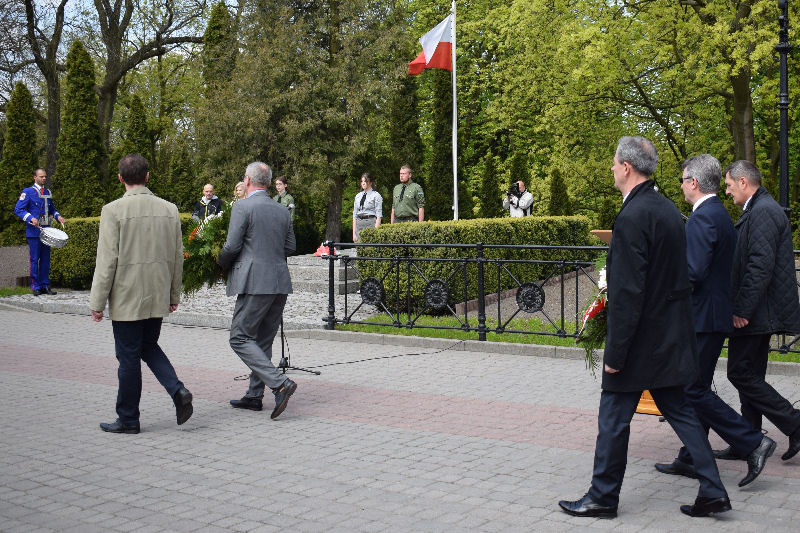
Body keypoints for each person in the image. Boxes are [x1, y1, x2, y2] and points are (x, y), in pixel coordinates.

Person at [558, 137, 729, 519]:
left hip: (640, 343)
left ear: (627, 168)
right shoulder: (667, 208)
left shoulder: (634, 216)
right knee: (682, 412)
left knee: (613, 419)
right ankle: (714, 490)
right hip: (667, 336)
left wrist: (615, 354)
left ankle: (602, 496)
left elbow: (630, 291)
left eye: (614, 162)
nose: (612, 168)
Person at [655, 154, 775, 488]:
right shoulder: (716, 214)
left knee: (691, 389)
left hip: (702, 318)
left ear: (692, 182)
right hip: (711, 315)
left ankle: (753, 442)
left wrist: (660, 287)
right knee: (696, 386)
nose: (680, 187)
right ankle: (692, 456)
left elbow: (692, 272)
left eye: (682, 180)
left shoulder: (704, 217)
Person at [89, 154, 192, 434]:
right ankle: (177, 390)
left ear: (120, 178)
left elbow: (107, 260)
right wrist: (173, 294)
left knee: (129, 357)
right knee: (147, 346)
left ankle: (129, 418)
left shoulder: (112, 210)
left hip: (126, 296)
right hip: (157, 293)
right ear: (147, 176)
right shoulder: (169, 209)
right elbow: (177, 258)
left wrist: (97, 302)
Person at [721, 160, 800, 462]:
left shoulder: (764, 211)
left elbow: (759, 266)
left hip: (757, 312)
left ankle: (794, 422)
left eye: (729, 185)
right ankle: (748, 440)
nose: (727, 192)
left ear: (743, 182)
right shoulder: (759, 209)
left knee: (740, 373)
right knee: (750, 374)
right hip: (759, 310)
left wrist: (742, 309)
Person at [218, 162, 298, 420]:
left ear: (248, 180)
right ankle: (254, 396)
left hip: (255, 282)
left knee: (240, 337)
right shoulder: (282, 210)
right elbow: (290, 246)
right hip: (279, 281)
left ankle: (279, 383)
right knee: (262, 340)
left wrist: (219, 263)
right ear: (268, 181)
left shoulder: (243, 207)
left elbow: (231, 246)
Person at [14, 168, 66, 296]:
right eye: (41, 176)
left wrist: (58, 216)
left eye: (45, 177)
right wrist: (30, 217)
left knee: (45, 260)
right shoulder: (28, 192)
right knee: (35, 259)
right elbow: (18, 209)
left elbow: (52, 208)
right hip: (34, 232)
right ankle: (35, 287)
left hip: (47, 231)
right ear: (35, 177)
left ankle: (45, 285)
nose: (44, 178)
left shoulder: (48, 192)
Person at [352, 173, 382, 242]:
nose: (363, 183)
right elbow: (354, 215)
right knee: (359, 248)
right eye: (362, 181)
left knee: (370, 247)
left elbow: (379, 215)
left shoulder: (376, 195)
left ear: (370, 182)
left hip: (370, 222)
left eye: (365, 181)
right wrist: (354, 234)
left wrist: (376, 232)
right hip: (359, 224)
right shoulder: (358, 196)